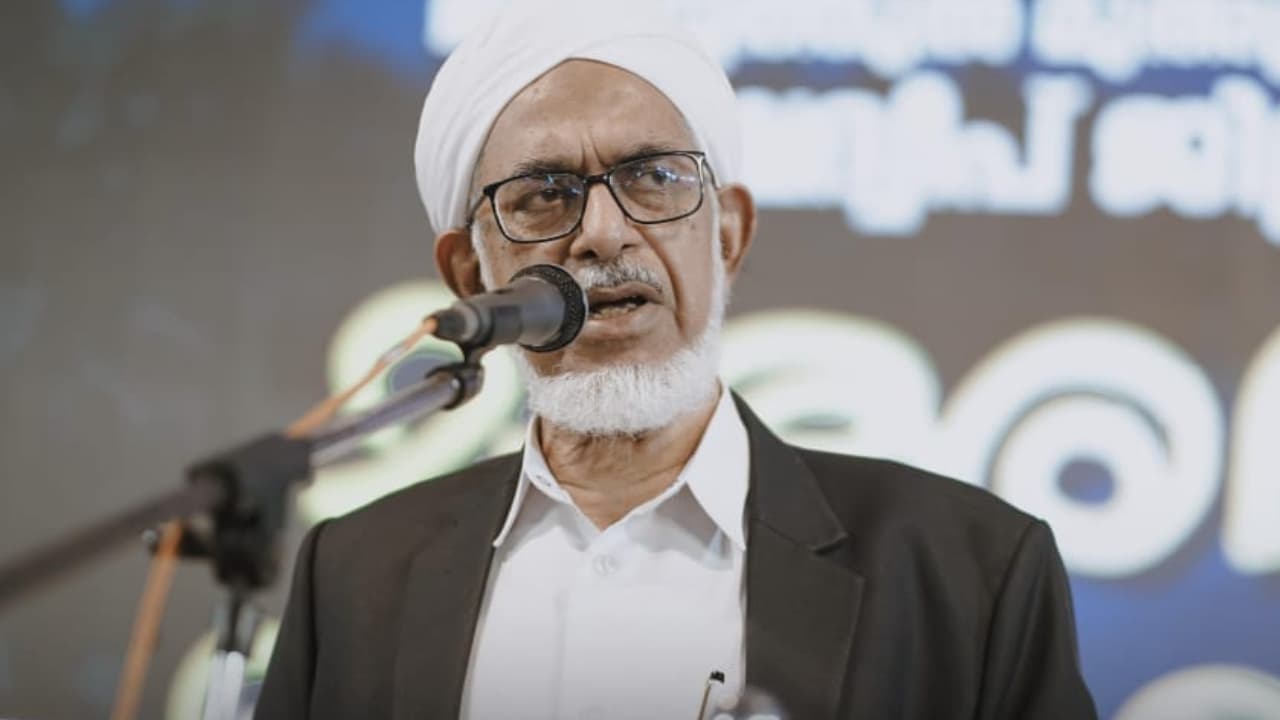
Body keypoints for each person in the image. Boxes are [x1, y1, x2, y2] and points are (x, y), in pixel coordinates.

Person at [256, 1, 1098, 718]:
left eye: (653, 177)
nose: (602, 234)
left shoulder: (968, 571)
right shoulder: (356, 578)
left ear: (727, 234)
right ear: (471, 274)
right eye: (544, 194)